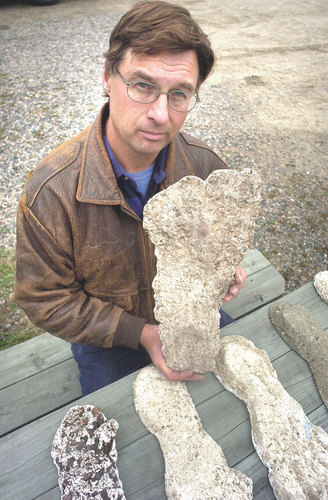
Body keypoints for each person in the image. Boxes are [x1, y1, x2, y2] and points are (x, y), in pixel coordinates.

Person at [15, 1, 247, 396]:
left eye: (179, 94)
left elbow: (220, 241)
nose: (161, 113)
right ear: (107, 76)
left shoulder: (206, 167)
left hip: (192, 320)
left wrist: (225, 270)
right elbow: (44, 299)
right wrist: (140, 333)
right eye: (143, 85)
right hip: (107, 342)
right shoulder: (50, 192)